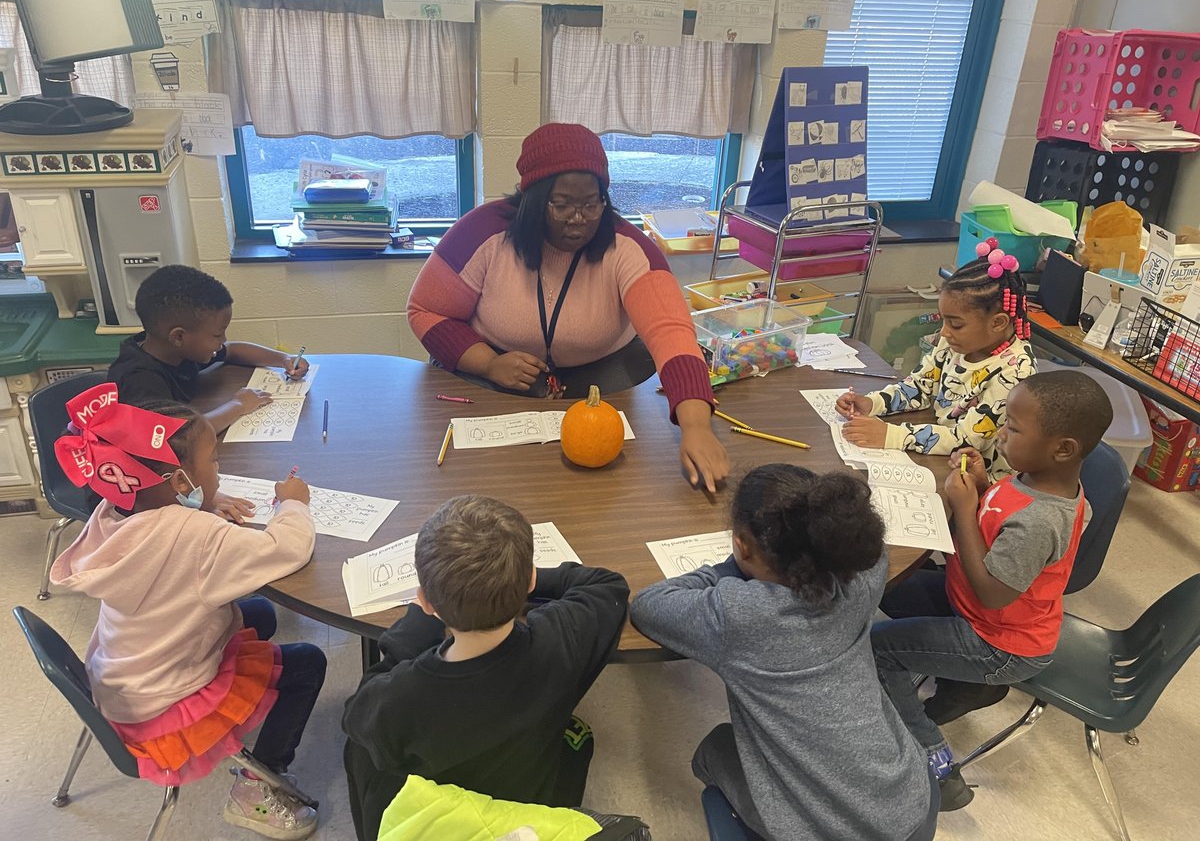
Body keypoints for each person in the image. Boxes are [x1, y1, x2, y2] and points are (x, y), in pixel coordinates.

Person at [49, 385, 327, 840]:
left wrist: (201, 504)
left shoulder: (111, 513)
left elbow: (162, 527)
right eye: (212, 463)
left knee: (257, 613)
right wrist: (293, 501)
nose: (217, 470)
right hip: (164, 703)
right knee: (307, 662)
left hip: (120, 682)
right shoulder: (197, 535)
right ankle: (257, 788)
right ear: (181, 483)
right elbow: (286, 549)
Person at [407, 122, 728, 491]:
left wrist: (697, 427)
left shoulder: (628, 248)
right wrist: (488, 363)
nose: (578, 220)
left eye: (591, 205)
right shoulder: (482, 233)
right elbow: (425, 310)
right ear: (532, 200)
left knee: (601, 488)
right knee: (496, 478)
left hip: (603, 377)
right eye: (562, 205)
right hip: (495, 372)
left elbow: (671, 332)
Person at [630, 464, 938, 841]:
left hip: (826, 834)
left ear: (743, 544)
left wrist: (731, 570)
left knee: (715, 748)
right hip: (911, 804)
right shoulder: (866, 574)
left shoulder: (742, 616)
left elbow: (648, 605)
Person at [871, 370, 1113, 811]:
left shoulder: (1042, 519)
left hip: (999, 642)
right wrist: (982, 488)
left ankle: (933, 764)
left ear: (1062, 449)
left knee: (876, 650)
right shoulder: (1031, 477)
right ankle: (965, 683)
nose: (1001, 433)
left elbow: (992, 593)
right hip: (979, 611)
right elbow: (997, 521)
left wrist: (964, 508)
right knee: (886, 590)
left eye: (1014, 428)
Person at [341, 495, 630, 841]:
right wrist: (529, 576)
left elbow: (356, 719)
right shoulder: (561, 642)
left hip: (447, 820)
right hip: (526, 807)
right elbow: (607, 586)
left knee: (358, 752)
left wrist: (409, 634)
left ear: (425, 601)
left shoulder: (403, 695)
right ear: (529, 583)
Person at [836, 241, 1035, 480]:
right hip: (944, 455)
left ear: (998, 323)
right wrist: (872, 403)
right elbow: (919, 386)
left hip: (983, 480)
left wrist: (893, 436)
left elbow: (968, 438)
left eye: (956, 324)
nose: (944, 332)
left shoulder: (1016, 371)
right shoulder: (956, 342)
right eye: (944, 321)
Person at [109, 264, 309, 433]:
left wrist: (283, 359)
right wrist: (237, 405)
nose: (223, 340)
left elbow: (233, 350)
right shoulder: (140, 380)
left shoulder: (177, 350)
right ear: (178, 336)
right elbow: (180, 436)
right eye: (216, 335)